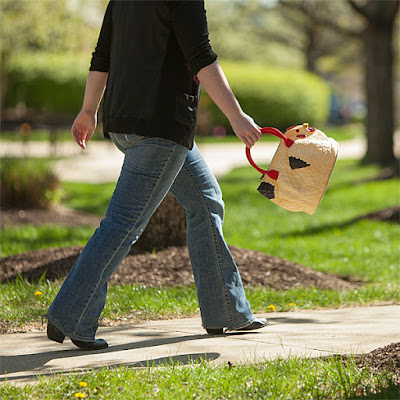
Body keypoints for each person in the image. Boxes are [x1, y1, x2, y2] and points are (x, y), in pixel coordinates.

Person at [45, 0, 267, 350]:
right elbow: (201, 56)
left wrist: (89, 111)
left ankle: (227, 311)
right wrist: (236, 117)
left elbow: (102, 55)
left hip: (124, 123)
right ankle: (72, 316)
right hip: (161, 128)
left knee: (205, 200)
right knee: (123, 225)